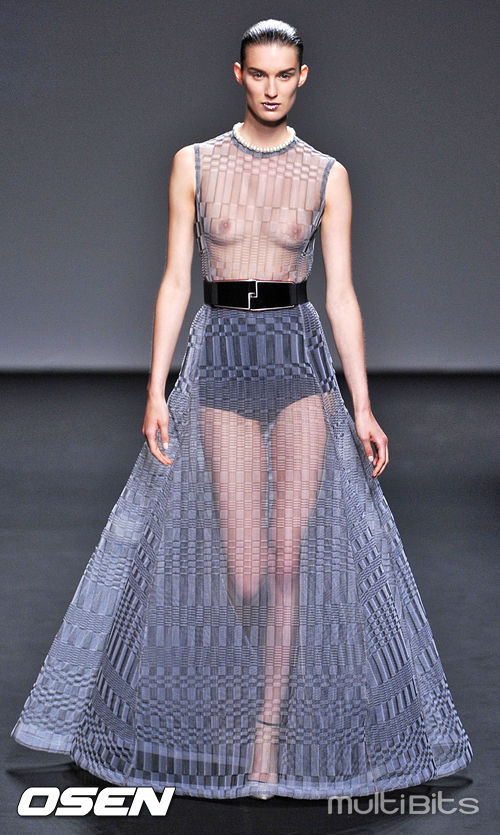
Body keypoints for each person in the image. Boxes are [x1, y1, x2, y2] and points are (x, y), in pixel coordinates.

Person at [11, 19, 472, 802]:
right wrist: (154, 387)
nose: (271, 87)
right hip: (222, 359)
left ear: (302, 77)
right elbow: (174, 280)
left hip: (298, 364)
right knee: (246, 569)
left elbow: (343, 295)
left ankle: (266, 728)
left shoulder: (327, 173)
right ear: (238, 74)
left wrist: (363, 404)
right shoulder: (194, 163)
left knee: (288, 561)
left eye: (284, 74)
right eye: (258, 73)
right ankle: (253, 694)